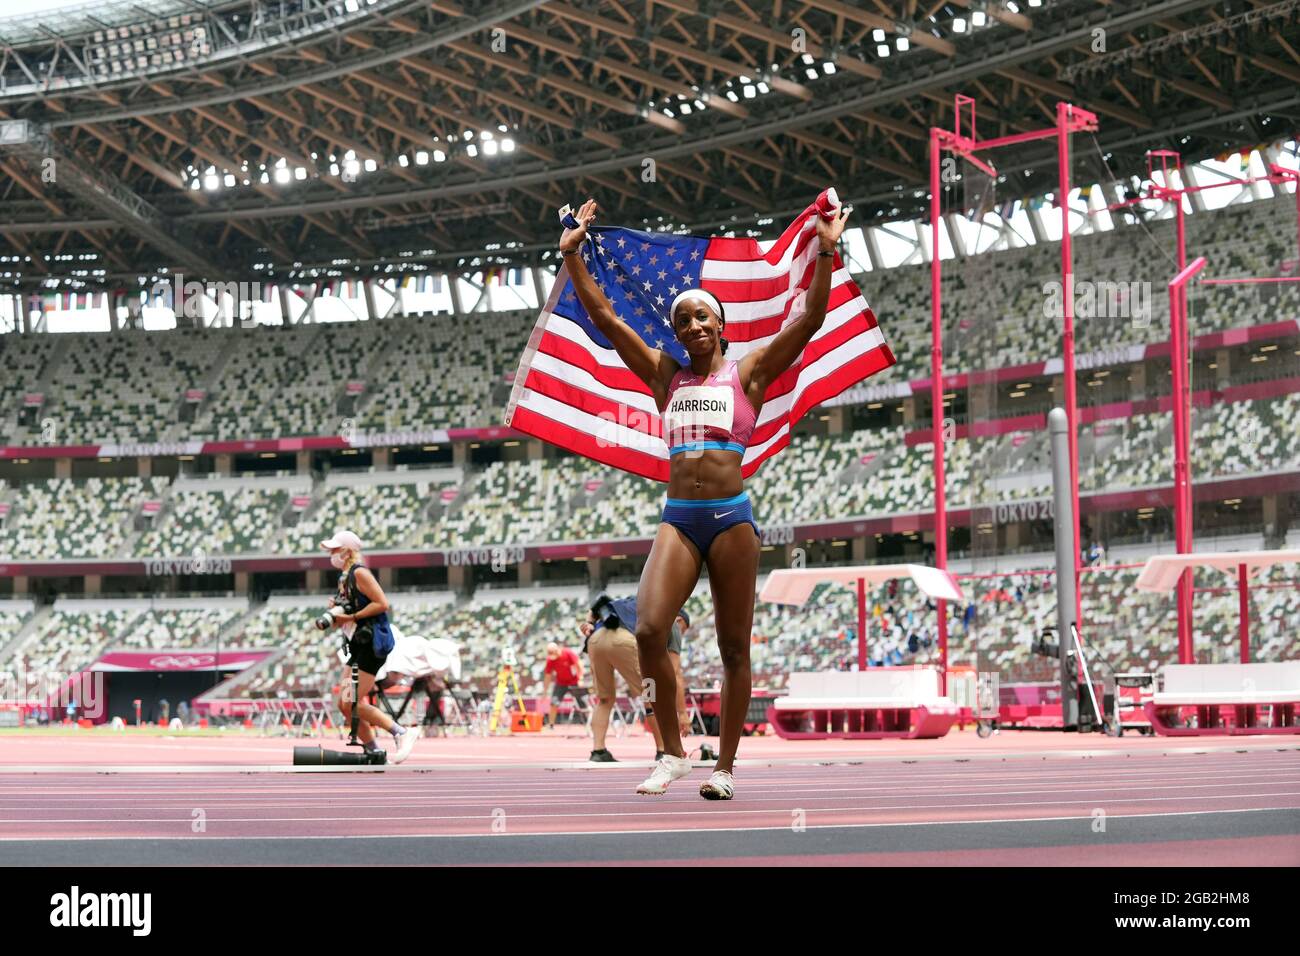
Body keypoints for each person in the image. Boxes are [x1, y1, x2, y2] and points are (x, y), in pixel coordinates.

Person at [559, 196, 850, 799]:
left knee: (732, 647)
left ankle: (724, 769)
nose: (691, 327)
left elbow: (812, 318)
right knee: (649, 630)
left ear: (719, 326)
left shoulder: (749, 373)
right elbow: (609, 321)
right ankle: (671, 754)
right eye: (682, 321)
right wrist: (573, 258)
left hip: (731, 519)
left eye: (701, 318)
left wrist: (826, 245)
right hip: (679, 518)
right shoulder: (667, 376)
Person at [322, 530, 418, 764]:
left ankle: (401, 732)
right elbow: (348, 615)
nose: (332, 554)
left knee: (353, 702)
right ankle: (375, 752)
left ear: (347, 551)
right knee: (345, 705)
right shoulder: (344, 578)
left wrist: (351, 615)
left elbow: (382, 603)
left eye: (335, 549)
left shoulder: (360, 573)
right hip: (357, 643)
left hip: (371, 643)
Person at [581, 595, 663, 762]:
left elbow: (593, 609)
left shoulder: (616, 604)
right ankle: (663, 750)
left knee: (604, 699)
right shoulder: (650, 603)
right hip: (623, 638)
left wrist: (589, 623)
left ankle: (598, 750)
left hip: (596, 639)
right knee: (651, 694)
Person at [542, 642, 588, 729]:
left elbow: (579, 665)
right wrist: (545, 691)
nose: (551, 655)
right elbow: (547, 676)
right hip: (561, 683)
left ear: (557, 650)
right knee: (554, 702)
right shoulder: (550, 660)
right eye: (549, 653)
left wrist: (580, 679)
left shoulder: (568, 653)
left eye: (552, 653)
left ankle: (589, 722)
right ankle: (551, 724)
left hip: (574, 682)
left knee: (582, 702)